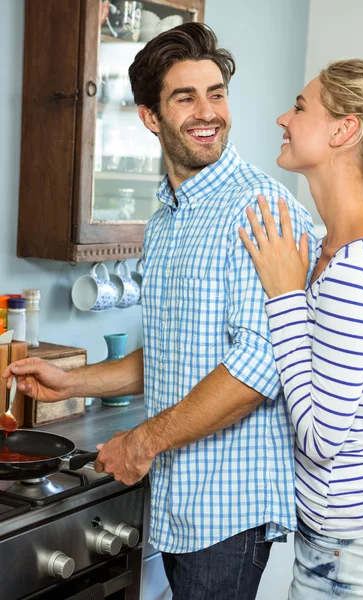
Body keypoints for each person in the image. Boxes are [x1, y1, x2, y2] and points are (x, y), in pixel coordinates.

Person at [3, 24, 315, 600]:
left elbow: (257, 370)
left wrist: (142, 441)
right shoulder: (167, 219)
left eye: (216, 93)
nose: (208, 112)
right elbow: (176, 352)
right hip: (179, 497)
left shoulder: (261, 209)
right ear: (150, 117)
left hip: (228, 506)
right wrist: (71, 379)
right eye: (185, 96)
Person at [239, 58, 363, 600]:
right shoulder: (340, 246)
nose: (283, 117)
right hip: (341, 539)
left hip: (352, 551)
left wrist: (284, 294)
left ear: (343, 130)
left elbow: (320, 438)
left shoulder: (358, 270)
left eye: (301, 106)